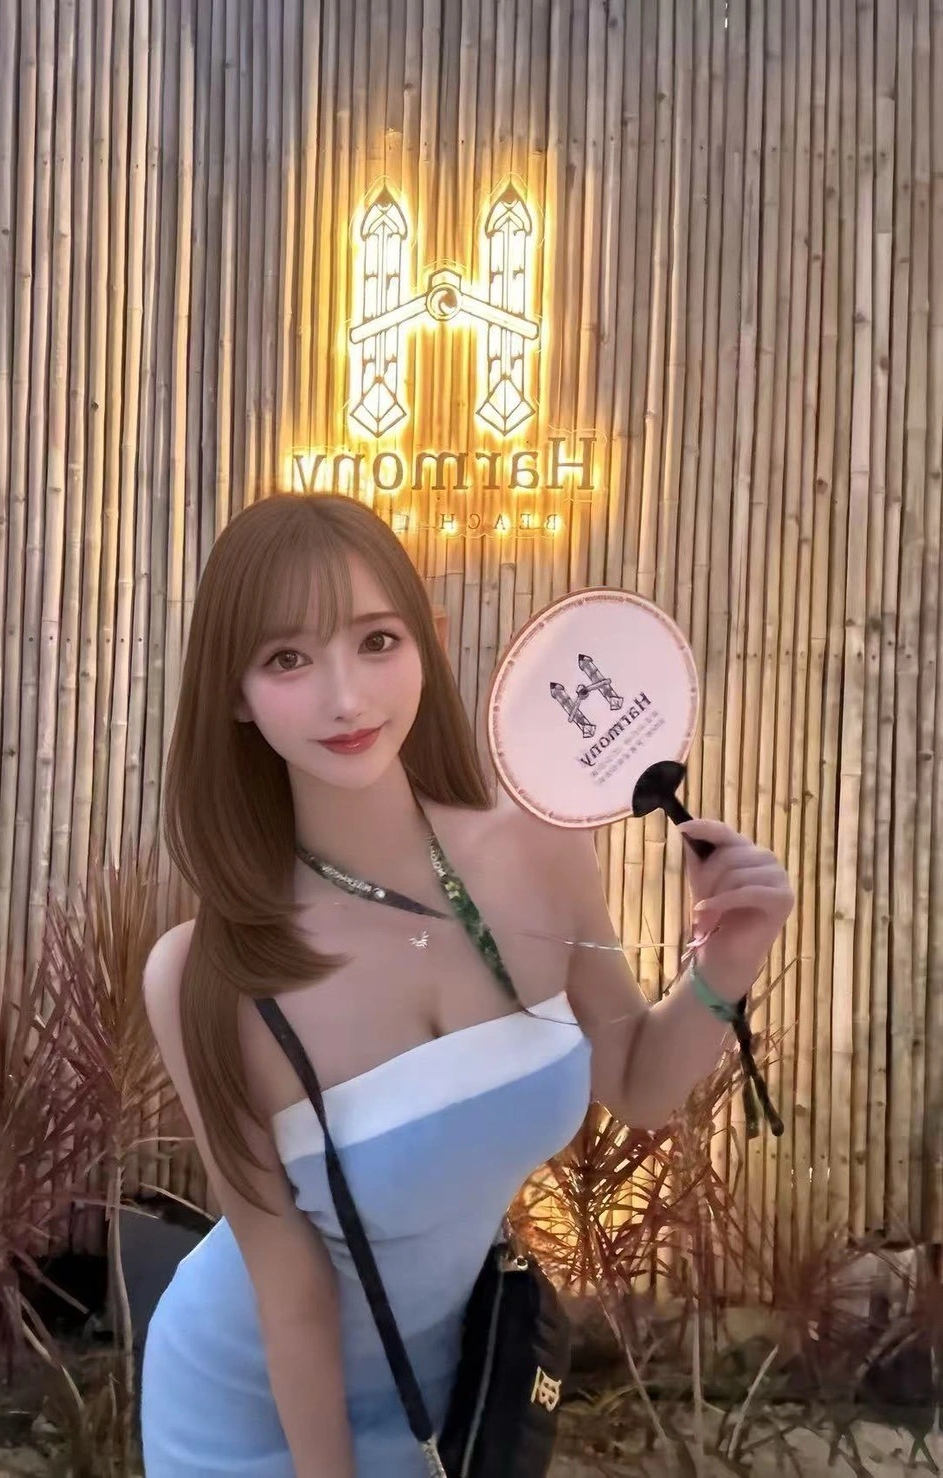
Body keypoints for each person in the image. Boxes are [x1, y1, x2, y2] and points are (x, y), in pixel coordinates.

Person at [139, 493, 794, 1477]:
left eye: (376, 641)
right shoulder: (207, 972)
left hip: (452, 1384)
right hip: (254, 1406)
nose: (345, 698)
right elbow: (289, 1284)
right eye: (287, 659)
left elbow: (636, 1079)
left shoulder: (539, 850)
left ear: (428, 642)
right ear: (234, 693)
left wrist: (727, 961)